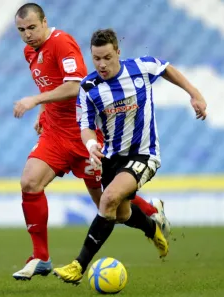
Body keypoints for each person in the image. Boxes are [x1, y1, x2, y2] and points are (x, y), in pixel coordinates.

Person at [12, 4, 170, 280]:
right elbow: (50, 85)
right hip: (55, 134)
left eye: (32, 27)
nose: (27, 35)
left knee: (113, 209)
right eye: (21, 30)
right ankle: (41, 257)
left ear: (45, 22)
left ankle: (150, 217)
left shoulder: (62, 43)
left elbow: (75, 85)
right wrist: (43, 109)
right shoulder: (30, 52)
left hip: (86, 134)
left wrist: (35, 101)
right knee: (29, 182)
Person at [52, 28, 207, 284]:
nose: (101, 64)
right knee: (121, 214)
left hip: (145, 154)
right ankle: (152, 228)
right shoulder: (89, 87)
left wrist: (195, 94)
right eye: (96, 58)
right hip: (113, 157)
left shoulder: (141, 68)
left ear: (118, 53)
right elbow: (86, 127)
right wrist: (91, 146)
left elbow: (167, 68)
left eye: (107, 57)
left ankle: (78, 265)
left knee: (108, 199)